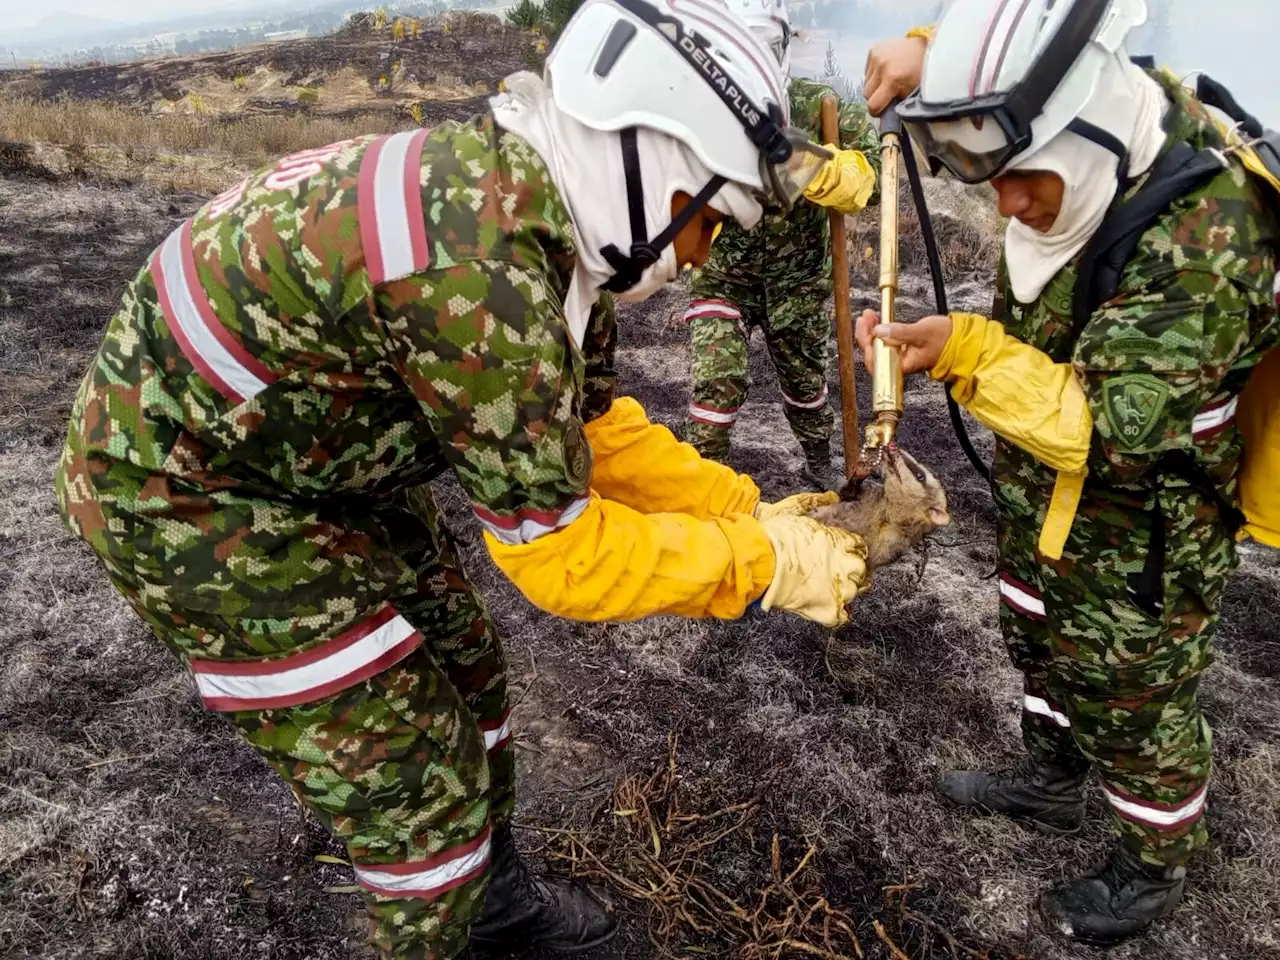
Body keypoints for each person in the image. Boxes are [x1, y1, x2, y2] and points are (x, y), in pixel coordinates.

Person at [54, 1, 874, 957]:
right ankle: (444, 911)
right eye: (710, 220)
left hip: (305, 453)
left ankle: (495, 905)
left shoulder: (543, 217)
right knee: (418, 794)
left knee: (462, 658)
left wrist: (750, 508)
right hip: (182, 489)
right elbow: (560, 554)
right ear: (650, 164)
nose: (702, 258)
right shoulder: (479, 274)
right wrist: (764, 560)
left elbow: (595, 428)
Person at [860, 0, 1279, 946]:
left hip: (1143, 524)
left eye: (1019, 179)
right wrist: (929, 52)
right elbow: (1047, 40)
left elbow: (1111, 427)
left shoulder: (1209, 237)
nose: (1006, 204)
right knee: (1040, 640)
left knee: (1131, 694)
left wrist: (964, 347)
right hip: (1040, 493)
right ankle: (1050, 779)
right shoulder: (1084, 138)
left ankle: (1153, 861)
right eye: (988, 181)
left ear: (1083, 131)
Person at [683, 0, 880, 490]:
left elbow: (872, 176)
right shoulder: (699, 109)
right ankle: (700, 488)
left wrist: (813, 165)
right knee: (716, 385)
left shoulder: (820, 107)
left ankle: (820, 466)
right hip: (723, 276)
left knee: (805, 387)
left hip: (799, 285)